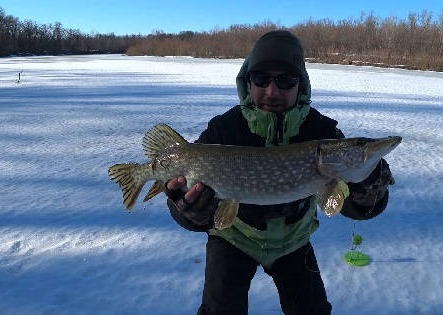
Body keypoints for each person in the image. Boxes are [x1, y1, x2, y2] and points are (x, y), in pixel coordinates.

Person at [164, 30, 393, 315]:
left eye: (285, 80)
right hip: (234, 238)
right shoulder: (223, 130)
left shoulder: (322, 133)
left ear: (301, 84)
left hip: (293, 241)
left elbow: (348, 205)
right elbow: (183, 191)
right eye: (261, 79)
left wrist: (368, 191)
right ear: (248, 81)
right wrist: (187, 210)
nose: (272, 91)